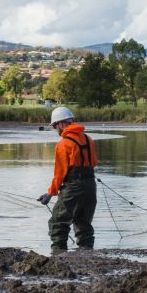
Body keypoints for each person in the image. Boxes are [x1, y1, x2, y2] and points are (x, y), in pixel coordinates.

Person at [37, 107, 98, 253]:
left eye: (55, 126)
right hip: (90, 185)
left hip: (73, 187)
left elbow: (60, 173)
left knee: (58, 222)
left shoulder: (63, 144)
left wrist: (50, 193)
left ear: (61, 124)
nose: (56, 129)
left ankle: (58, 256)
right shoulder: (88, 139)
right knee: (84, 223)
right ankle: (87, 254)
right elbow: (94, 162)